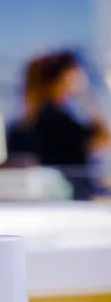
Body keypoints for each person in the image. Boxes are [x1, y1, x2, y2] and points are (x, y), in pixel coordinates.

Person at [7, 51, 111, 200]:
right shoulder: (61, 123)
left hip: (43, 203)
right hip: (72, 202)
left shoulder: (22, 126)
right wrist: (86, 95)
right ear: (64, 77)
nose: (81, 77)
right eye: (76, 72)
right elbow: (104, 140)